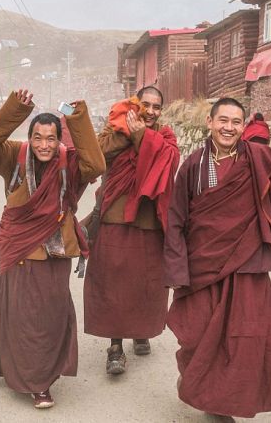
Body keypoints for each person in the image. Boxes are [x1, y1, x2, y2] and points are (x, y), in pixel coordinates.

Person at [163, 97, 271, 420]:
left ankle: (220, 405)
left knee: (242, 340)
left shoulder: (257, 161)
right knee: (197, 335)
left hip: (246, 266)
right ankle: (199, 381)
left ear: (243, 126)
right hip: (202, 267)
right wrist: (176, 267)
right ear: (209, 123)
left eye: (236, 122)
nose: (229, 127)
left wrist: (262, 241)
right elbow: (176, 219)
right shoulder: (193, 166)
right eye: (222, 120)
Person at [0, 89, 105, 409]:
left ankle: (42, 373)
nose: (44, 144)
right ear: (29, 138)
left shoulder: (69, 164)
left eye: (50, 138)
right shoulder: (14, 157)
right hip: (19, 250)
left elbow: (96, 164)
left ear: (59, 140)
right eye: (37, 137)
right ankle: (37, 384)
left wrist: (78, 117)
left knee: (49, 316)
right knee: (22, 317)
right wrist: (17, 108)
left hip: (55, 253)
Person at [83, 85, 180, 374]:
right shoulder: (114, 131)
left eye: (156, 107)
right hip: (114, 219)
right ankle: (115, 348)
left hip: (149, 223)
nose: (150, 111)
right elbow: (98, 155)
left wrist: (140, 135)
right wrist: (127, 132)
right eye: (145, 105)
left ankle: (141, 331)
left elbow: (169, 160)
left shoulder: (165, 137)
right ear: (134, 105)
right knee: (113, 285)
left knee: (146, 284)